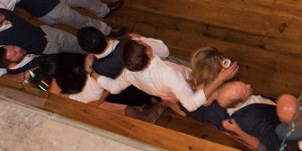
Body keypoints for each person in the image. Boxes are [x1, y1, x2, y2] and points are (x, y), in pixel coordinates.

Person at [93, 39, 237, 116]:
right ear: (148, 52)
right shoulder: (167, 73)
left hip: (172, 87)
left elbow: (113, 87)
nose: (143, 42)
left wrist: (93, 74)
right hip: (188, 83)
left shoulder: (129, 74)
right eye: (142, 44)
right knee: (219, 94)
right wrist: (220, 79)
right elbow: (191, 104)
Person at [35, 52, 163, 122]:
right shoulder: (75, 73)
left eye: (55, 91)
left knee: (144, 89)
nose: (55, 95)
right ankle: (154, 98)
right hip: (116, 87)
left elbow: (93, 95)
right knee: (140, 93)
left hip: (120, 82)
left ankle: (157, 97)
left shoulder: (85, 72)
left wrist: (108, 90)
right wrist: (106, 92)